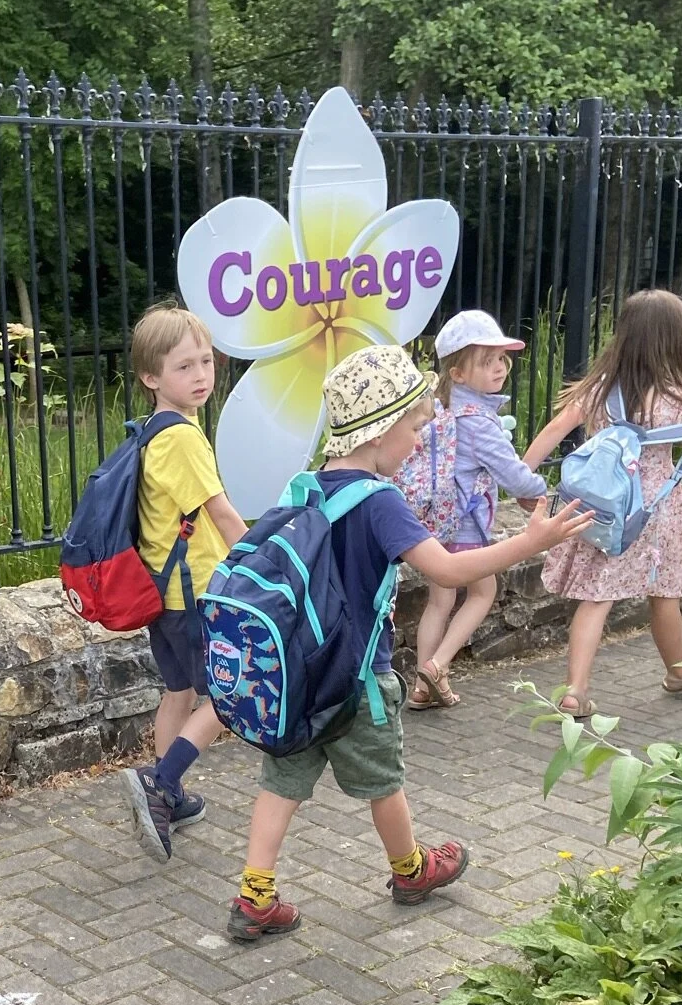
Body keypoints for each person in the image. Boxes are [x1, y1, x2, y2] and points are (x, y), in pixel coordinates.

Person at [226, 345, 594, 942]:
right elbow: (448, 570)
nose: (419, 441)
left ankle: (254, 895)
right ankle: (411, 870)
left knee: (282, 781)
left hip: (299, 673)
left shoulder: (303, 486)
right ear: (380, 431)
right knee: (384, 781)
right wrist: (532, 542)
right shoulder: (379, 501)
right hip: (357, 678)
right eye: (416, 428)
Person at [521, 288, 682, 719]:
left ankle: (575, 690)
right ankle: (680, 672)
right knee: (664, 593)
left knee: (596, 597)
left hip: (605, 508)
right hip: (653, 514)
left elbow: (556, 428)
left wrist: (524, 477)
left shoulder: (601, 389)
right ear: (675, 340)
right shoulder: (678, 398)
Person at [120, 304, 247, 862]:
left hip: (164, 594)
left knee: (179, 691)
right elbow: (221, 513)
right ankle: (161, 782)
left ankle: (168, 796)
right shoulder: (182, 438)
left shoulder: (155, 430)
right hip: (195, 594)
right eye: (184, 366)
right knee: (227, 694)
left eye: (206, 362)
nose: (201, 375)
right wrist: (268, 562)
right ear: (151, 377)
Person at [404, 310, 548, 710]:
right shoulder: (479, 422)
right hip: (464, 524)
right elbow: (515, 476)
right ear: (458, 373)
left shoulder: (439, 409)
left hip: (434, 524)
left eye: (501, 358)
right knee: (485, 592)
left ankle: (422, 687)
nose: (499, 367)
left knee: (439, 602)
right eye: (486, 361)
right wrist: (539, 492)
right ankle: (437, 665)